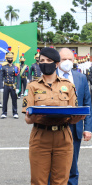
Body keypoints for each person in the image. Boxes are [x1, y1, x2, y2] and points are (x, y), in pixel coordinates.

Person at [22, 47, 85, 185]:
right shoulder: (32, 86)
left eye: (49, 60)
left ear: (56, 64)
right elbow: (27, 119)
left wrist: (78, 117)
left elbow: (72, 115)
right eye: (42, 61)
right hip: (40, 137)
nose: (45, 63)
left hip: (63, 137)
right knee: (38, 181)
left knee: (61, 181)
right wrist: (31, 116)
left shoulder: (68, 86)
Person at [58, 48, 92, 185]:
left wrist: (88, 128)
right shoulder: (51, 76)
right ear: (57, 62)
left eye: (70, 59)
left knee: (72, 166)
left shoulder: (81, 78)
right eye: (63, 59)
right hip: (56, 127)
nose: (67, 62)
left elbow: (87, 103)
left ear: (74, 61)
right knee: (54, 167)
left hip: (75, 128)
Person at [0, 48, 20, 119]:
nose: (10, 59)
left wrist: (18, 87)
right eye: (9, 58)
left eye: (11, 58)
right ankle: (4, 113)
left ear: (13, 58)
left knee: (14, 100)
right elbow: (1, 77)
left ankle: (15, 113)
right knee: (5, 100)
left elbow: (18, 78)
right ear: (6, 58)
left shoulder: (15, 67)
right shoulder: (4, 67)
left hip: (13, 86)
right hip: (6, 85)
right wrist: (1, 87)